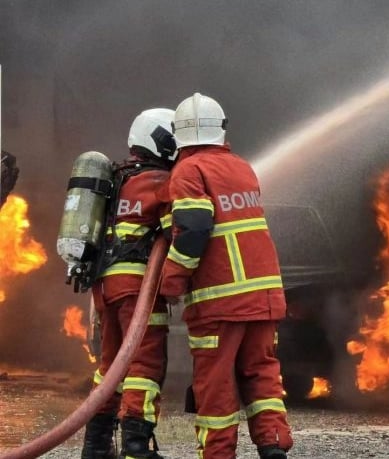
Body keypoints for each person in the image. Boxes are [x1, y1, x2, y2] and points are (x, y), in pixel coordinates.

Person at [160, 93, 293, 459]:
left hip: (221, 301)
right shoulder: (242, 167)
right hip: (264, 297)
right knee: (262, 375)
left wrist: (169, 283)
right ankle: (273, 448)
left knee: (215, 386)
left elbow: (193, 229)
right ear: (221, 129)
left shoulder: (189, 171)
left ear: (178, 134)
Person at [81, 108, 177, 459]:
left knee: (111, 367)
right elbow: (176, 228)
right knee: (145, 366)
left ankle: (95, 446)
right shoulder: (158, 182)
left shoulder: (117, 178)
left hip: (106, 289)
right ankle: (137, 448)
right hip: (138, 289)